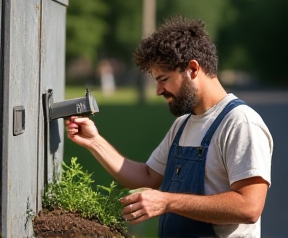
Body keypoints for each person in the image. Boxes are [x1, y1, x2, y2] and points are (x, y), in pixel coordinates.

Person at [66, 16, 273, 238]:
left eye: (163, 79)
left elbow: (249, 206)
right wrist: (94, 141)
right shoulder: (182, 125)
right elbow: (146, 176)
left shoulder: (240, 123)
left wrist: (167, 201)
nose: (158, 90)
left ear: (193, 69)